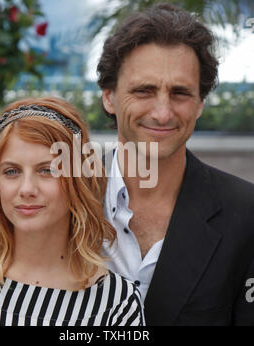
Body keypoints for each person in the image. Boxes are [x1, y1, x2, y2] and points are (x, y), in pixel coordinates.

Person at [97, 3, 254, 325]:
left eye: (180, 93)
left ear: (199, 104)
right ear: (109, 96)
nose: (163, 113)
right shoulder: (58, 196)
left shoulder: (248, 214)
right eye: (144, 91)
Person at [0, 97, 144, 326]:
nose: (26, 189)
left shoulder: (117, 305)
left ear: (77, 181)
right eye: (12, 171)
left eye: (46, 170)